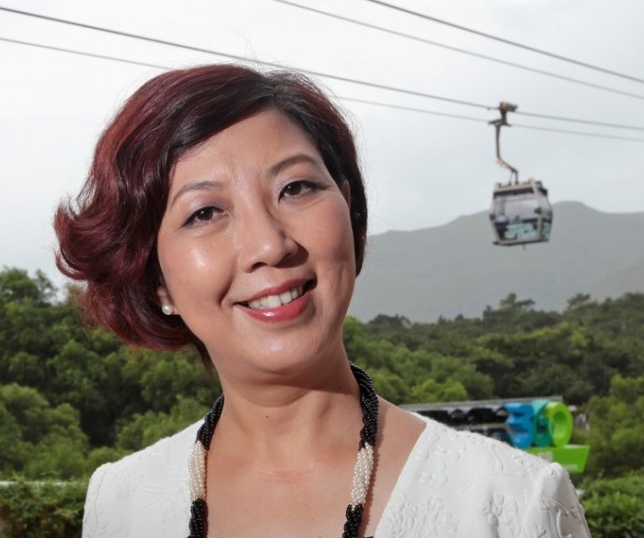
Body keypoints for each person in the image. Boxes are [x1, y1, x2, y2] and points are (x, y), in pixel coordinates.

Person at [54, 64, 589, 538]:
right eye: (205, 213)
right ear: (156, 280)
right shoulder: (120, 505)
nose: (270, 244)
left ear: (349, 206)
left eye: (295, 188)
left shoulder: (513, 504)